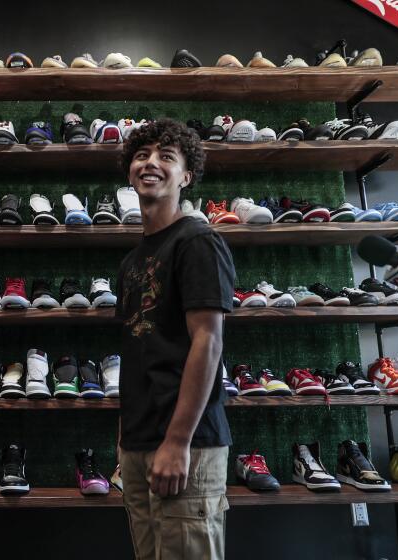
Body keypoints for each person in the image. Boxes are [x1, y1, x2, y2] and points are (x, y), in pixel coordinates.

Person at [115, 119, 235, 559]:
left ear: (186, 176)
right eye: (143, 155)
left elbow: (208, 341)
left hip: (186, 445)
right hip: (140, 444)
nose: (151, 163)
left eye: (167, 157)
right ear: (130, 170)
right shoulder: (132, 261)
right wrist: (125, 439)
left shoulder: (198, 241)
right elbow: (138, 351)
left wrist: (178, 441)